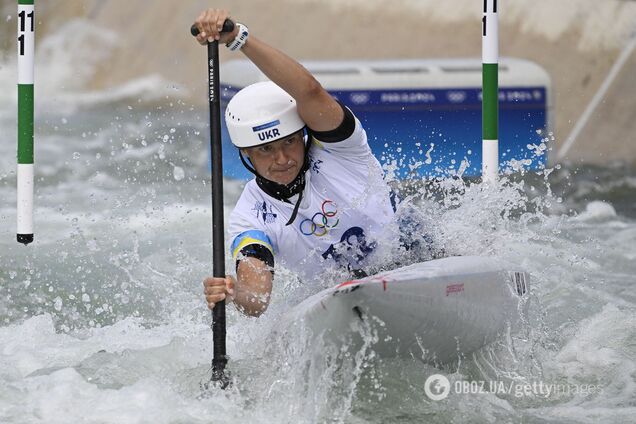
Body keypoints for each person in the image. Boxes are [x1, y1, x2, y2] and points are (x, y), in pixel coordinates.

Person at [194, 9, 396, 317]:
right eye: (266, 150)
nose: (283, 159)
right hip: (339, 301)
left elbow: (309, 91)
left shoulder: (339, 150)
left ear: (302, 132)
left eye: (290, 141)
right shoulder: (250, 216)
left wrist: (239, 39)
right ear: (246, 153)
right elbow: (257, 300)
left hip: (410, 258)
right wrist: (234, 293)